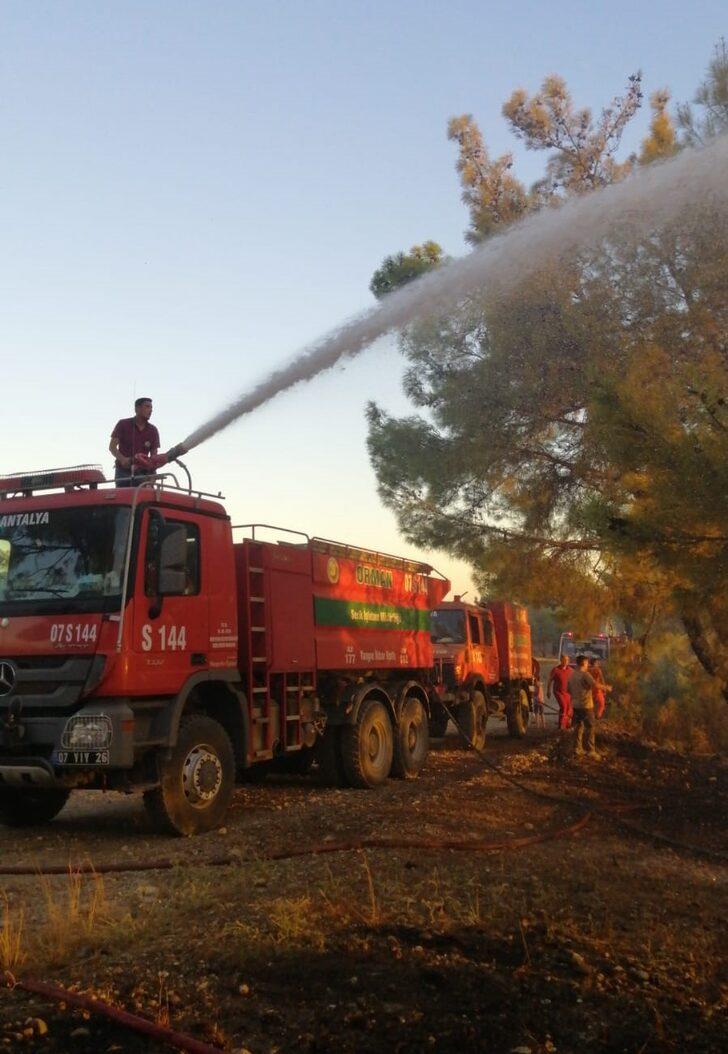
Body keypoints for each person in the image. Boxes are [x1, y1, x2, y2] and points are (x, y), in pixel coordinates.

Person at [568, 655, 612, 759]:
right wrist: (606, 688)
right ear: (584, 663)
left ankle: (577, 749)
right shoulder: (585, 675)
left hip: (575, 705)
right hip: (586, 706)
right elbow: (595, 685)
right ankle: (591, 750)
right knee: (591, 727)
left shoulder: (572, 675)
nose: (588, 665)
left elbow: (567, 689)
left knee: (579, 727)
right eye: (587, 663)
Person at [109, 397, 161, 485]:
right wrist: (123, 459)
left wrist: (153, 474)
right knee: (124, 497)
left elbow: (154, 456)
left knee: (145, 497)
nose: (151, 410)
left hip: (143, 473)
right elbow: (112, 447)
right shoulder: (123, 424)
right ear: (137, 408)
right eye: (147, 407)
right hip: (123, 472)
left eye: (151, 408)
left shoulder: (153, 430)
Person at [547, 654, 572, 730]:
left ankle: (566, 724)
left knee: (569, 708)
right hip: (558, 692)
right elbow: (550, 680)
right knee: (563, 706)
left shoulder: (570, 670)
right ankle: (561, 725)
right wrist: (548, 691)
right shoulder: (556, 670)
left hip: (568, 692)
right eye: (564, 660)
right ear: (561, 660)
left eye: (567, 660)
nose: (565, 661)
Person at [532, 657, 545, 729]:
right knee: (542, 713)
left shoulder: (536, 685)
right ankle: (543, 725)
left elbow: (536, 693)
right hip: (541, 701)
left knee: (537, 713)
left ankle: (538, 725)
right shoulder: (541, 684)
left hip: (537, 701)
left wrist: (533, 695)